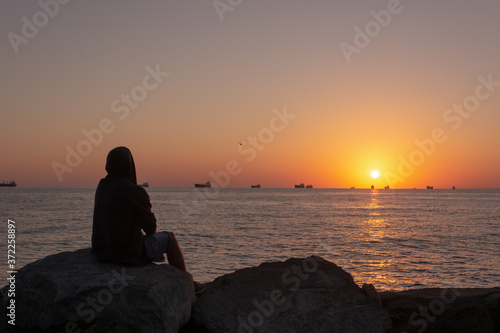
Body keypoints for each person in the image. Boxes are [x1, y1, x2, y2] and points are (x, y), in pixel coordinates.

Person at [91, 146, 205, 294]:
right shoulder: (135, 191)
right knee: (170, 238)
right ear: (129, 166)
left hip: (102, 250)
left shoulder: (102, 186)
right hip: (126, 253)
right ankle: (187, 284)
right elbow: (151, 228)